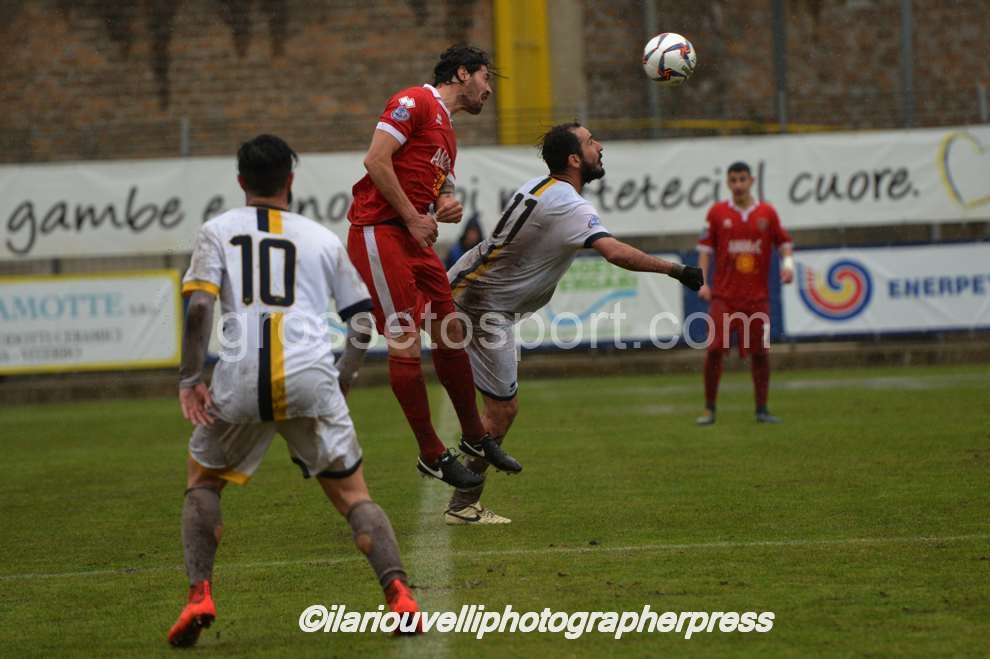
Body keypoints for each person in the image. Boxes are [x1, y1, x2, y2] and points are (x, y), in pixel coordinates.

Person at [168, 135, 420, 647]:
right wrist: (343, 379)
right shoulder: (320, 238)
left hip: (238, 381)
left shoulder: (216, 232)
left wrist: (190, 379)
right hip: (310, 378)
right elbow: (361, 321)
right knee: (353, 495)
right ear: (290, 180)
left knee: (203, 483)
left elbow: (200, 308)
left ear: (241, 182)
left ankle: (199, 595)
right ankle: (399, 596)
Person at [442, 122, 704, 524]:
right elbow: (613, 252)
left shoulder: (540, 187)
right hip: (480, 307)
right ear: (574, 159)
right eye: (591, 142)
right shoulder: (568, 204)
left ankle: (462, 489)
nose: (600, 146)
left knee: (499, 408)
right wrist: (676, 270)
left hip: (477, 298)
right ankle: (461, 498)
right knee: (501, 410)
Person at [344, 45, 521, 489]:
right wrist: (412, 216)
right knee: (405, 342)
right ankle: (431, 453)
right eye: (485, 77)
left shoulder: (448, 131)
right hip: (381, 231)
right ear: (462, 74)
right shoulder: (415, 101)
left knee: (451, 331)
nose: (489, 89)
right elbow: (375, 160)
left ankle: (475, 436)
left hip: (413, 236)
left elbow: (439, 184)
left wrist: (445, 202)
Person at [695, 161, 794, 426]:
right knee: (714, 351)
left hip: (757, 299)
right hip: (724, 298)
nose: (738, 185)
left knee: (760, 353)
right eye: (733, 180)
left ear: (751, 181)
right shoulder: (717, 213)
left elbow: (784, 243)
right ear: (728, 183)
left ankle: (762, 409)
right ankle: (709, 409)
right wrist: (702, 282)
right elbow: (705, 250)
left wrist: (788, 265)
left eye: (742, 179)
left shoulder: (767, 213)